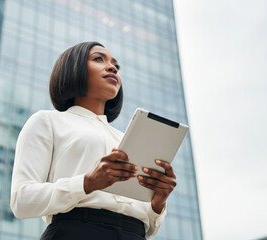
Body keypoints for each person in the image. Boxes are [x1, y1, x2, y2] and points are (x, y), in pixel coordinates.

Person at [10, 42, 177, 240]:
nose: (112, 67)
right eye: (99, 59)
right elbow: (21, 200)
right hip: (75, 231)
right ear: (73, 68)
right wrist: (86, 183)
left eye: (116, 65)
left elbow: (149, 226)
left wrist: (158, 202)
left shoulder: (126, 137)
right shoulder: (48, 121)